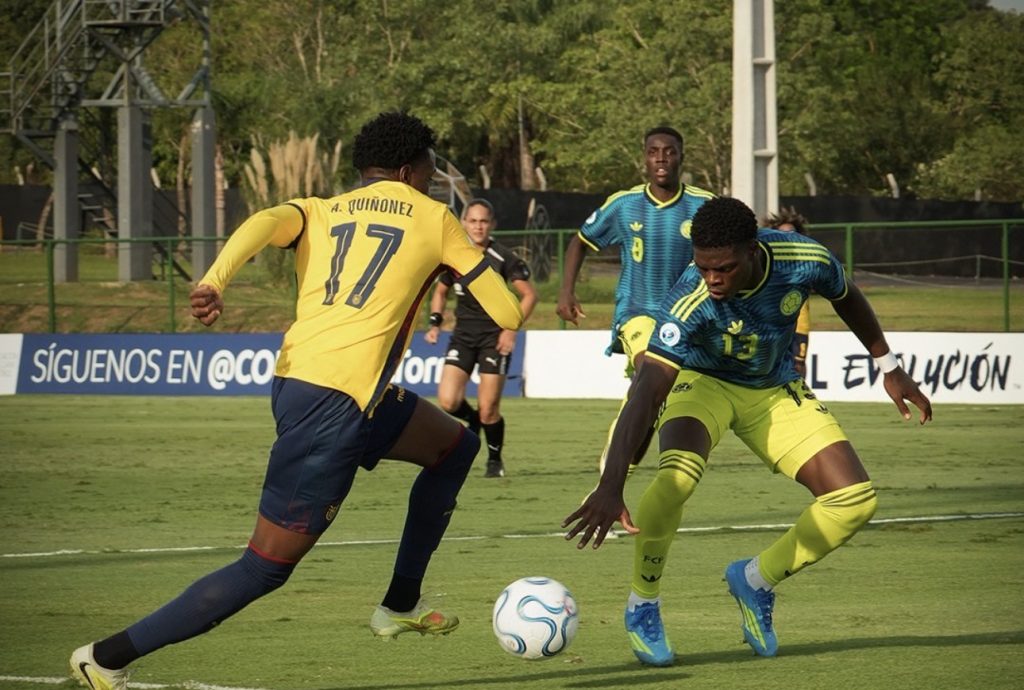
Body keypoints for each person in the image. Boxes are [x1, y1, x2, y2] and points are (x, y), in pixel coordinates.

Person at [69, 111, 524, 689]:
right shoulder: (436, 218)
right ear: (409, 170)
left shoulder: (322, 209)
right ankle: (104, 657)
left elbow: (263, 221)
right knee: (264, 566)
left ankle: (400, 604)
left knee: (454, 448)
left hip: (305, 383)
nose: (434, 182)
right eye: (431, 171)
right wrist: (468, 262)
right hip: (333, 407)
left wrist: (213, 280)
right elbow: (507, 312)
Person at [563, 196, 931, 666]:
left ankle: (756, 580)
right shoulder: (689, 299)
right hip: (703, 383)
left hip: (772, 389)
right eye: (703, 268)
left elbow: (847, 296)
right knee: (676, 478)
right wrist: (611, 484)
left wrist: (889, 365)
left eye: (724, 268)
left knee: (855, 500)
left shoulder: (804, 258)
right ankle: (643, 603)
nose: (712, 279)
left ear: (753, 250)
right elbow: (646, 393)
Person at [556, 126, 714, 476]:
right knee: (651, 375)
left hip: (684, 318)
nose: (661, 158)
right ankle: (608, 474)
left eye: (669, 151)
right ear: (644, 158)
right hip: (637, 311)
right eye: (653, 151)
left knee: (651, 399)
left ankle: (620, 467)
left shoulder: (704, 205)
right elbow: (580, 241)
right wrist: (566, 291)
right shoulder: (624, 205)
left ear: (682, 157)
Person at [424, 198, 537, 478]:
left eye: (484, 221)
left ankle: (494, 461)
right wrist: (435, 322)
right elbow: (440, 292)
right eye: (473, 221)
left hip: (494, 339)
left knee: (489, 410)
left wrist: (511, 329)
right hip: (462, 336)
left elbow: (529, 295)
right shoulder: (455, 255)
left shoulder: (503, 257)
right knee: (448, 401)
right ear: (463, 223)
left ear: (492, 224)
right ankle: (472, 420)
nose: (478, 226)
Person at [765, 207, 812, 376]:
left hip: (794, 333)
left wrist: (801, 349)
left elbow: (803, 314)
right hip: (767, 333)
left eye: (792, 234)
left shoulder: (804, 268)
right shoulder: (762, 265)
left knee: (797, 371)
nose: (787, 239)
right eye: (782, 234)